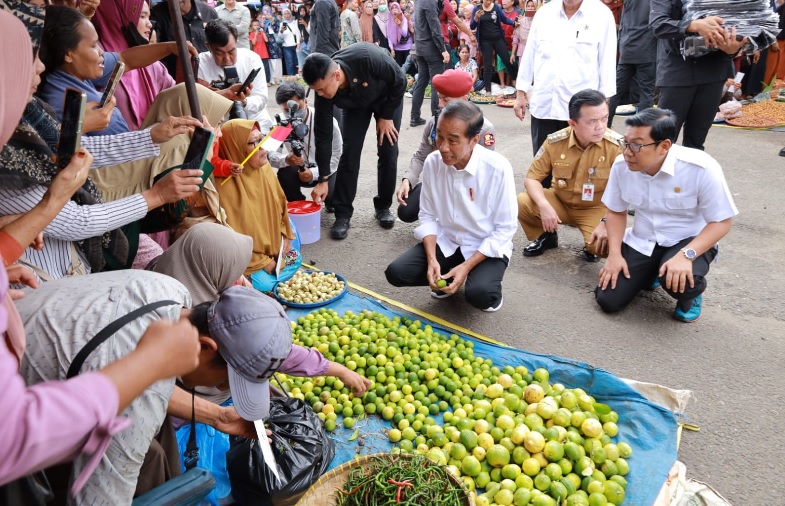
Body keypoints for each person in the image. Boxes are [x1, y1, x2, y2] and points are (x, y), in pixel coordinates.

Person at [596, 108, 738, 322]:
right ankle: (652, 272)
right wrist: (615, 255)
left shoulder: (700, 168)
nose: (627, 152)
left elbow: (722, 222)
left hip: (688, 242)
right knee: (608, 300)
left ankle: (692, 293)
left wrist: (686, 255)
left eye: (636, 145)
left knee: (682, 283)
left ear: (664, 146)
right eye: (624, 142)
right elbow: (616, 210)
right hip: (644, 240)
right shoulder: (621, 166)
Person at [385, 100, 517, 312]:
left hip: (484, 244)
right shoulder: (433, 162)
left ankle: (482, 281)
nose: (443, 147)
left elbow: (505, 229)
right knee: (397, 273)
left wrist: (466, 267)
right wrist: (431, 260)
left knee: (481, 295)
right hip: (449, 241)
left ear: (474, 140)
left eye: (453, 140)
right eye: (439, 137)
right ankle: (445, 273)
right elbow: (427, 214)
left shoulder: (497, 168)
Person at [38, 5, 199, 135]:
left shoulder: (77, 70)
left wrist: (170, 47)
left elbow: (126, 59)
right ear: (68, 54)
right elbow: (89, 157)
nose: (101, 51)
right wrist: (79, 128)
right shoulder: (61, 101)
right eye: (94, 46)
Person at [303, 46, 406, 239]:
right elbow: (323, 135)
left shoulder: (369, 57)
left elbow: (400, 80)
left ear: (336, 75)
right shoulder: (323, 89)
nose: (321, 95)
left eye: (323, 89)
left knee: (388, 151)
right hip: (355, 105)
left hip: (386, 98)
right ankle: (343, 214)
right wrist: (323, 178)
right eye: (316, 91)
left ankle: (383, 206)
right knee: (349, 153)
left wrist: (386, 115)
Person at [517, 89, 623, 262]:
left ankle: (591, 246)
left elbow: (625, 192)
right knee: (523, 202)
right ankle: (547, 235)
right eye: (592, 121)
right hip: (560, 202)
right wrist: (544, 205)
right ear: (573, 123)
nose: (601, 126)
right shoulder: (555, 141)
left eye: (604, 118)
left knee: (605, 246)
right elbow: (532, 178)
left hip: (595, 208)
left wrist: (606, 220)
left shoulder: (616, 146)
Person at [514, 0, 617, 165]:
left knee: (578, 170)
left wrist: (602, 108)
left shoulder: (601, 15)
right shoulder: (544, 13)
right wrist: (521, 92)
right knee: (543, 167)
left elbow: (607, 63)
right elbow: (529, 54)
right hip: (545, 106)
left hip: (581, 111)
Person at [396, 69, 497, 223]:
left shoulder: (483, 129)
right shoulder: (434, 123)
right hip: (440, 180)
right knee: (406, 211)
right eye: (439, 98)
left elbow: (484, 172)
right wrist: (408, 180)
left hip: (468, 185)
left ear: (465, 98)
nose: (441, 105)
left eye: (446, 100)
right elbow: (421, 156)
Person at [214, 119, 300, 291]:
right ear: (235, 149)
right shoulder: (224, 187)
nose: (262, 148)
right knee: (264, 283)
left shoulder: (265, 168)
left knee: (295, 258)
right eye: (252, 143)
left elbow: (281, 207)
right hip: (250, 260)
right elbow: (231, 241)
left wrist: (284, 237)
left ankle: (270, 281)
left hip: (276, 249)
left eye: (261, 139)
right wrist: (262, 261)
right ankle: (263, 282)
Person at [649, 0, 747, 150]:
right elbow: (658, 24)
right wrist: (694, 25)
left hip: (714, 72)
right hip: (678, 71)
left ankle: (692, 173)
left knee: (696, 142)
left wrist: (732, 49)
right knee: (663, 139)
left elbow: (740, 24)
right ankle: (660, 172)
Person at [93, 0, 177, 131]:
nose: (149, 24)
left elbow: (177, 98)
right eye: (142, 16)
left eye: (149, 17)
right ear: (116, 16)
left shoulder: (152, 64)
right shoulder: (95, 56)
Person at [268, 82, 343, 203]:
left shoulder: (325, 120)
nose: (293, 114)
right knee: (285, 173)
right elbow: (270, 153)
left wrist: (315, 173)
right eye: (286, 110)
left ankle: (330, 201)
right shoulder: (280, 123)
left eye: (297, 107)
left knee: (332, 198)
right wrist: (286, 159)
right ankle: (298, 204)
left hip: (325, 170)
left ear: (306, 101)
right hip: (298, 170)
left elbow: (337, 153)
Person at [197, 20, 273, 130]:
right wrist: (223, 95)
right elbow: (200, 105)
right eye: (219, 53)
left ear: (236, 42)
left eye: (232, 51)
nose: (227, 59)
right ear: (208, 47)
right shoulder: (200, 63)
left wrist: (244, 101)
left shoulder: (251, 59)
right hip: (221, 129)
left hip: (256, 124)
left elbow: (261, 99)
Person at [607, 0, 657, 127]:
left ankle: (605, 127)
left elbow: (624, 20)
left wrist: (620, 43)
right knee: (646, 93)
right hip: (648, 49)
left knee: (615, 91)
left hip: (627, 47)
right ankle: (643, 132)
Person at [151, 0, 218, 79]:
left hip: (209, 78)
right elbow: (153, 51)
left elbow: (220, 46)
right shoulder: (157, 14)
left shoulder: (208, 12)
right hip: (173, 81)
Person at [410, 0, 450, 126]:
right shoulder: (429, 2)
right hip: (431, 48)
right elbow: (435, 28)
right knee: (436, 84)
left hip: (420, 47)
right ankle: (436, 119)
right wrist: (443, 50)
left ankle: (414, 117)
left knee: (421, 82)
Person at [470, 0, 516, 95]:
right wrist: (476, 18)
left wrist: (514, 23)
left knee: (507, 60)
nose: (488, 1)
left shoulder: (496, 7)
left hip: (498, 39)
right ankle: (488, 90)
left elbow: (504, 19)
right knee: (487, 66)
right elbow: (471, 26)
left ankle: (515, 82)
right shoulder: (477, 8)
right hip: (485, 41)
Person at [511, 0, 536, 68]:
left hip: (535, 51)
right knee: (523, 73)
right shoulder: (520, 20)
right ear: (525, 7)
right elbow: (515, 39)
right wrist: (513, 54)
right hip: (522, 51)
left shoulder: (538, 21)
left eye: (532, 6)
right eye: (528, 6)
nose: (530, 8)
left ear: (535, 7)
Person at [262, 5, 283, 82]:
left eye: (268, 10)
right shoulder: (262, 21)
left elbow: (277, 30)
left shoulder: (275, 19)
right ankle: (271, 80)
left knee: (276, 61)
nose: (266, 12)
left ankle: (278, 79)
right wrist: (263, 22)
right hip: (266, 45)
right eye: (265, 10)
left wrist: (271, 20)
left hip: (274, 44)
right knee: (269, 62)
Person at [388, 1, 413, 66]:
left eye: (396, 7)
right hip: (397, 47)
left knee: (408, 68)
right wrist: (392, 48)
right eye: (392, 8)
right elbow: (389, 36)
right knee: (398, 67)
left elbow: (404, 34)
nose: (394, 9)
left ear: (399, 8)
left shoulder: (404, 18)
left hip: (407, 46)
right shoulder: (389, 21)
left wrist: (399, 26)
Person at [250, 18, 272, 85]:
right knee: (258, 68)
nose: (256, 26)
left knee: (266, 69)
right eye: (254, 25)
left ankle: (267, 81)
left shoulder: (262, 32)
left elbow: (266, 40)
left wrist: (262, 32)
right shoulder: (251, 34)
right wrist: (256, 34)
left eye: (257, 25)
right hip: (257, 54)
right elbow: (253, 43)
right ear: (251, 27)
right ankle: (259, 82)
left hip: (264, 54)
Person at [280, 8, 299, 75]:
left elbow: (297, 33)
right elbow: (280, 37)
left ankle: (298, 78)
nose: (287, 15)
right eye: (285, 14)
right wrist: (281, 31)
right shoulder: (282, 24)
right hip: (286, 46)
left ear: (290, 14)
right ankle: (291, 79)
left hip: (296, 45)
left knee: (297, 63)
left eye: (288, 13)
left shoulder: (295, 22)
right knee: (289, 64)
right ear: (283, 15)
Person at [296, 5, 310, 72]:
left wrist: (305, 25)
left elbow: (311, 32)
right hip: (304, 41)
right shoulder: (298, 20)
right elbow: (298, 32)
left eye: (304, 10)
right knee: (299, 51)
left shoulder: (309, 19)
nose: (303, 12)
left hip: (310, 40)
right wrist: (298, 43)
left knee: (311, 55)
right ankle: (301, 70)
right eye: (301, 11)